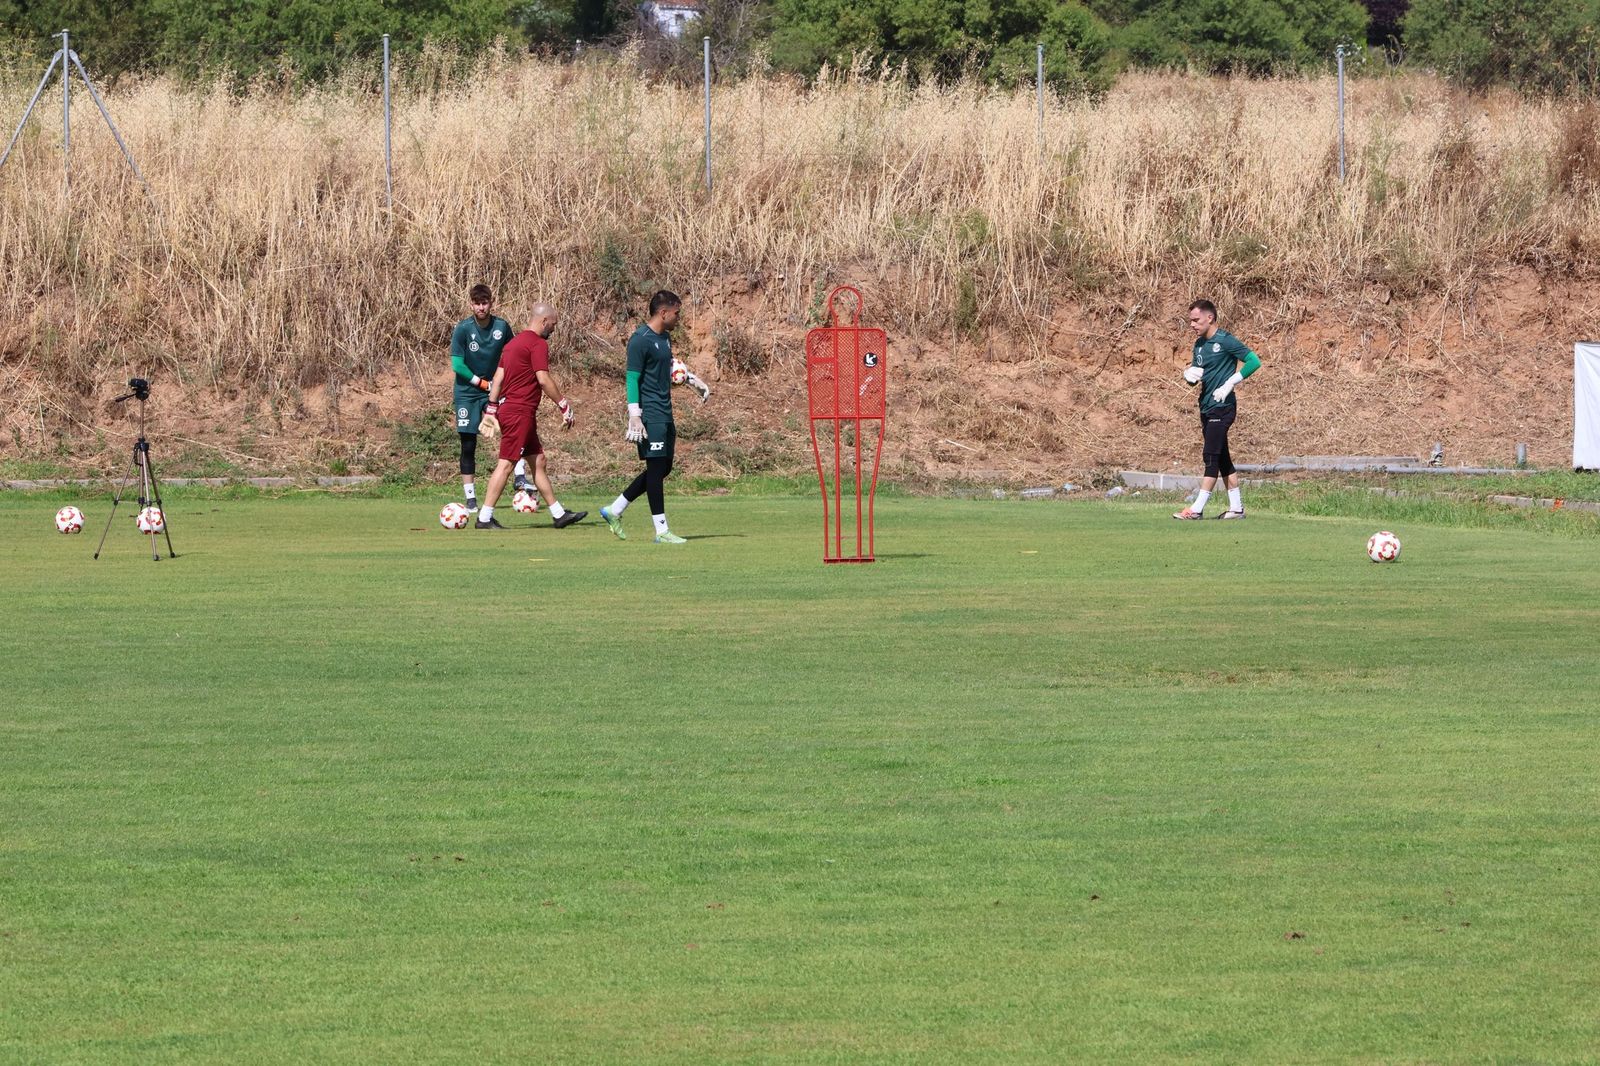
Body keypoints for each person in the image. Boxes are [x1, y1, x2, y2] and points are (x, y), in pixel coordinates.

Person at [599, 290, 704, 544]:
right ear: (663, 312)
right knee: (655, 470)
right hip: (650, 414)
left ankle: (615, 509)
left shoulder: (665, 338)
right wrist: (634, 414)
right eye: (676, 313)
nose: (679, 318)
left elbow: (666, 367)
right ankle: (661, 531)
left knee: (663, 467)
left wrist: (691, 380)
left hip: (665, 412)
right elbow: (632, 377)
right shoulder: (639, 340)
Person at [474, 303, 587, 531]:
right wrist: (564, 405)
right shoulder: (537, 344)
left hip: (514, 411)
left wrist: (492, 408)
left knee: (538, 461)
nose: (553, 330)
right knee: (506, 464)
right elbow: (543, 379)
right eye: (553, 325)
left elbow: (498, 377)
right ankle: (484, 518)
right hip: (519, 412)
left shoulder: (512, 344)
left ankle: (558, 515)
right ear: (544, 321)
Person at [1174, 299, 1262, 520]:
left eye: (1196, 320)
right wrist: (1189, 376)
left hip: (1223, 407)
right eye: (1190, 321)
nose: (1192, 325)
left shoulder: (1225, 340)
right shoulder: (1199, 345)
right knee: (1222, 458)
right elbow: (1199, 374)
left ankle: (1196, 509)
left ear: (1209, 318)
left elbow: (1253, 361)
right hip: (1206, 406)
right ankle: (1237, 508)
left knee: (1210, 456)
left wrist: (1230, 383)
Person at [449, 284, 532, 512]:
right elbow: (457, 364)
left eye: (484, 302)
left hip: (495, 391)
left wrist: (508, 382)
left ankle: (519, 477)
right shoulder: (463, 329)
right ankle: (471, 498)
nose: (481, 307)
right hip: (467, 393)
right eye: (477, 303)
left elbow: (512, 355)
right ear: (471, 304)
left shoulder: (501, 327)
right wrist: (482, 382)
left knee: (512, 428)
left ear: (491, 303)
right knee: (468, 444)